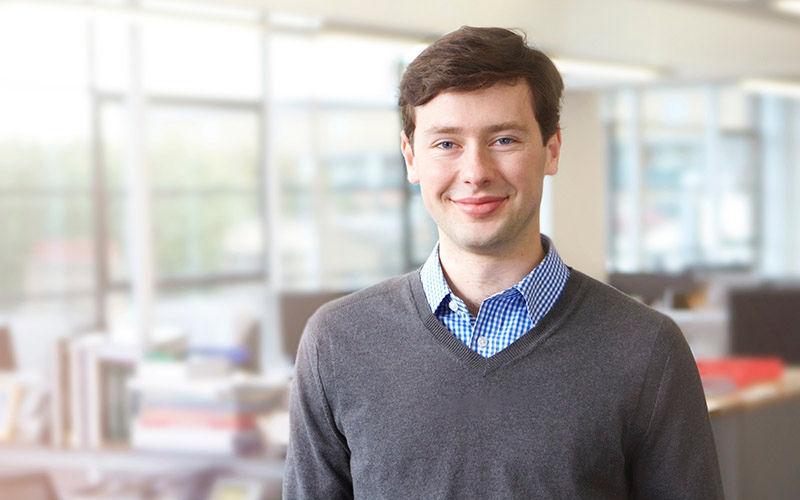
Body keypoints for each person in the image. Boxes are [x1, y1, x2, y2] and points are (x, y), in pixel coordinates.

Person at [283, 26, 724, 499]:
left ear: (551, 150)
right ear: (411, 157)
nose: (475, 172)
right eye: (446, 144)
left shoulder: (647, 349)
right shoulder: (338, 342)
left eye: (504, 140)